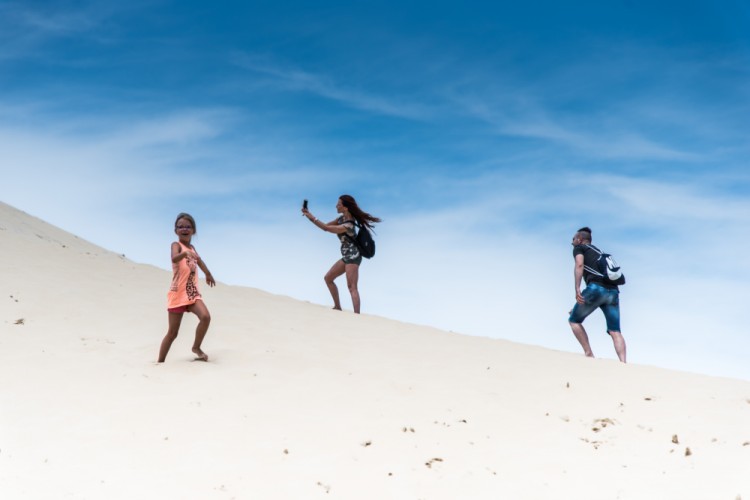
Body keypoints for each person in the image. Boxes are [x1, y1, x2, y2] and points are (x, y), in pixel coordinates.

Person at [302, 195, 381, 314]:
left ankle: (357, 316)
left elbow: (326, 228)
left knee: (352, 287)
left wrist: (311, 216)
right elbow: (325, 225)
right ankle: (337, 307)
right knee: (328, 278)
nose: (336, 206)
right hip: (346, 257)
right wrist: (309, 216)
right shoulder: (340, 219)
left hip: (354, 257)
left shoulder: (348, 225)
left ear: (345, 207)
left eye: (338, 204)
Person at [158, 213, 216, 362]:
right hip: (177, 293)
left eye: (188, 227)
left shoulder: (192, 248)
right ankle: (159, 362)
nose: (184, 229)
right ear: (175, 230)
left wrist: (208, 274)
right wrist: (185, 254)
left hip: (191, 293)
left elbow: (199, 261)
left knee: (205, 317)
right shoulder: (176, 246)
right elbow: (174, 258)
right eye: (180, 226)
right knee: (172, 333)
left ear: (193, 230)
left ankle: (196, 347)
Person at [568, 226, 626, 362]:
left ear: (580, 239)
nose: (572, 242)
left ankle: (588, 354)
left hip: (596, 289)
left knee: (574, 320)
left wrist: (577, 289)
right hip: (613, 292)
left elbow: (579, 265)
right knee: (615, 331)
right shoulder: (600, 252)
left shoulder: (579, 248)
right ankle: (624, 363)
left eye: (573, 239)